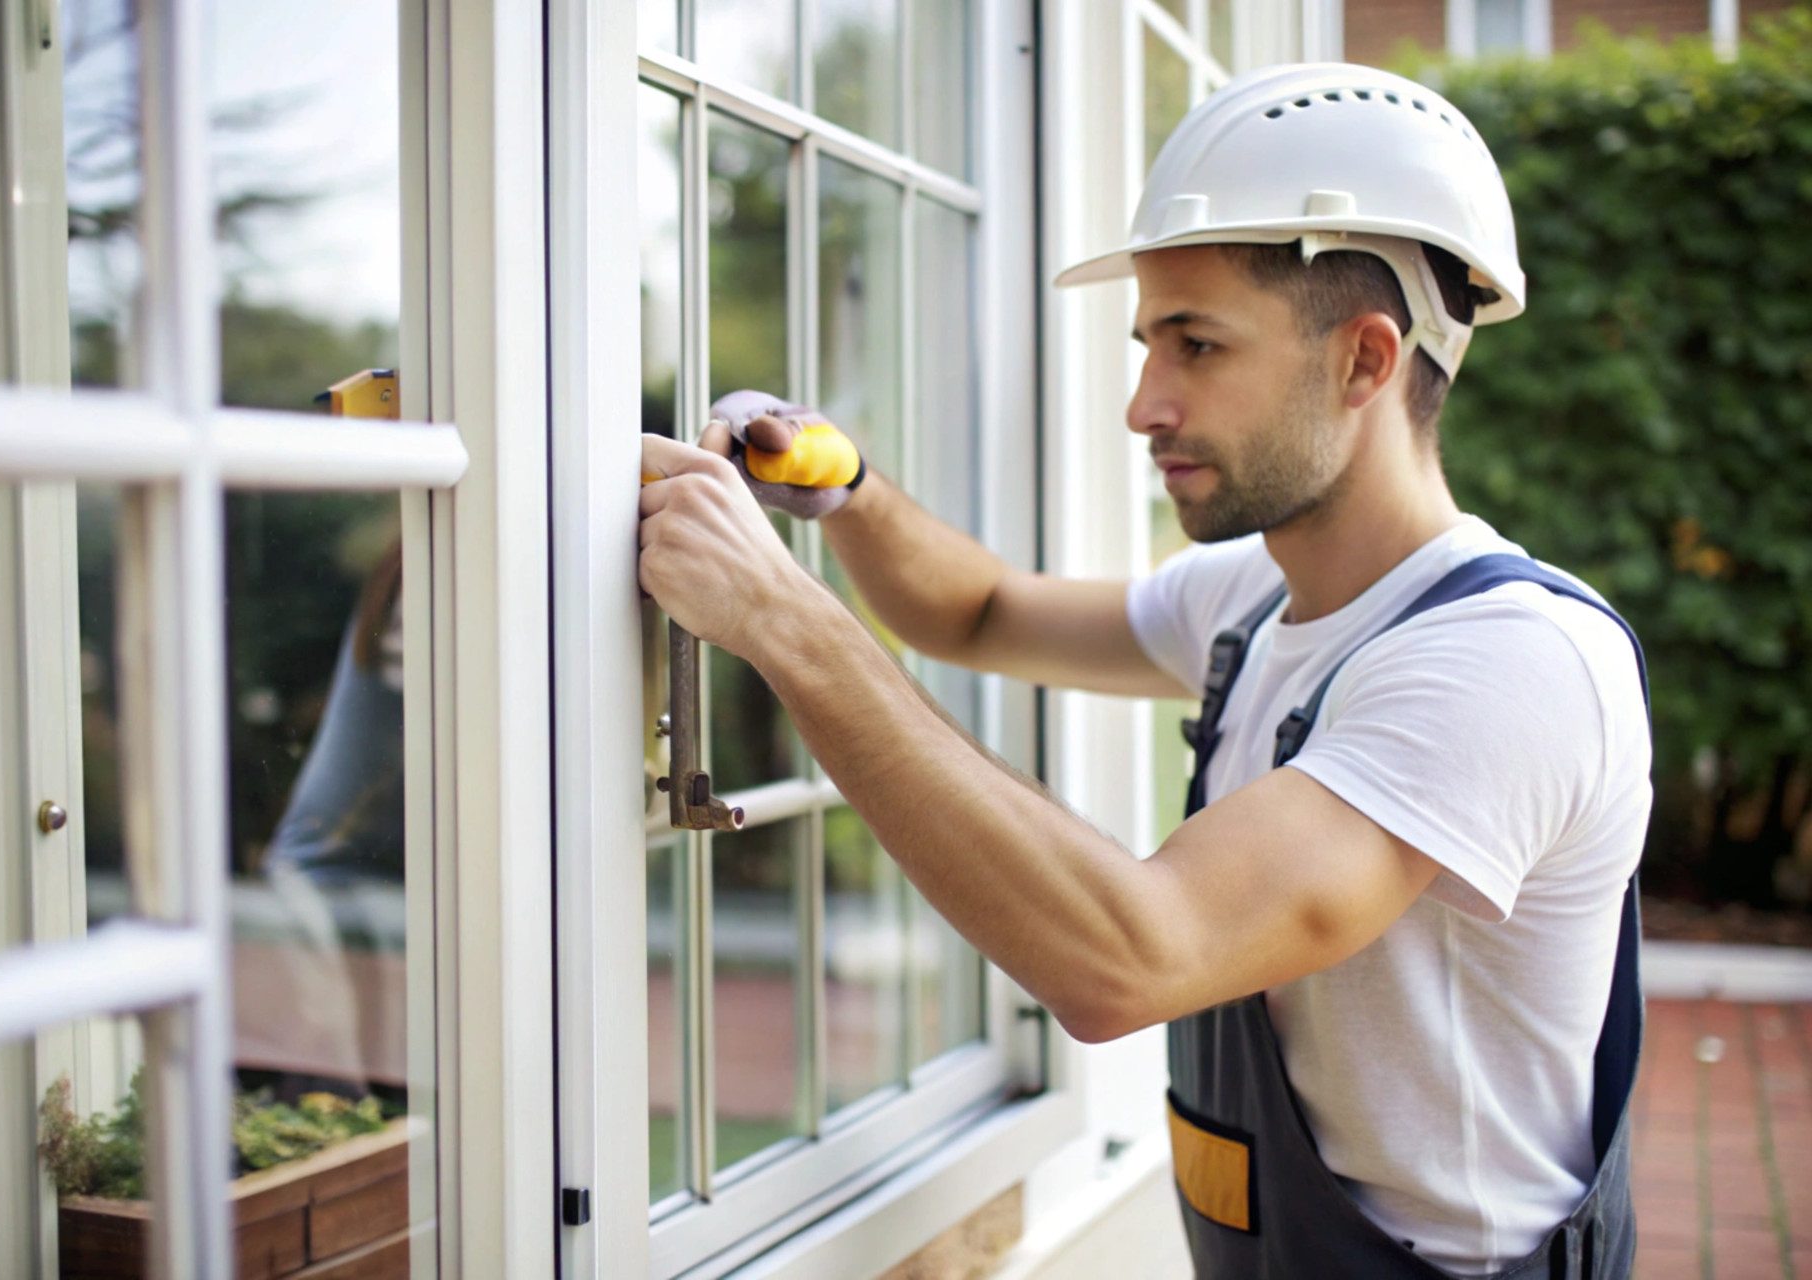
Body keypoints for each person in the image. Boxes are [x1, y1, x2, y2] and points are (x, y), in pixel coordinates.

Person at [637, 62, 1651, 1280]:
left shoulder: (1506, 665)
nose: (1142, 404)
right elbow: (982, 609)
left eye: (1197, 344)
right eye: (1147, 344)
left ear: (1366, 361)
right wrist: (843, 485)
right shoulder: (1258, 597)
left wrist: (782, 619)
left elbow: (1133, 958)